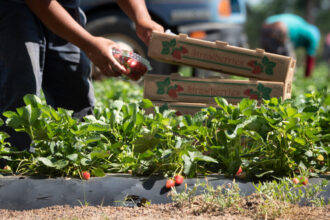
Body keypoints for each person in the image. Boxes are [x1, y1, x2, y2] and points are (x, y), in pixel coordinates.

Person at [0, 0, 164, 159]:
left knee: (76, 92)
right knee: (20, 94)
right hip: (15, 6)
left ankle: (77, 164)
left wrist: (141, 18)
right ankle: (11, 168)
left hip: (66, 6)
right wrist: (90, 45)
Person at [260, 13, 320, 78]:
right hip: (280, 27)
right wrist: (307, 78)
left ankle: (263, 84)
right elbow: (310, 59)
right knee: (290, 66)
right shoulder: (313, 35)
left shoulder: (303, 26)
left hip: (265, 26)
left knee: (266, 62)